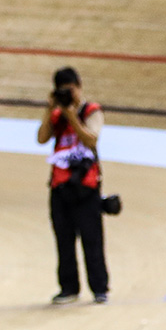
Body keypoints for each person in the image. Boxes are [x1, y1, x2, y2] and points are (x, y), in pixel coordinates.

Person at [37, 66, 109, 305]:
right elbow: (41, 138)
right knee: (63, 240)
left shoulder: (91, 111)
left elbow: (91, 140)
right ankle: (68, 288)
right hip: (61, 186)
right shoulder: (56, 115)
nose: (68, 94)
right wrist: (51, 110)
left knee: (92, 239)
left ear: (79, 87)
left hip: (86, 186)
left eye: (71, 89)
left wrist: (72, 116)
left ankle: (99, 288)